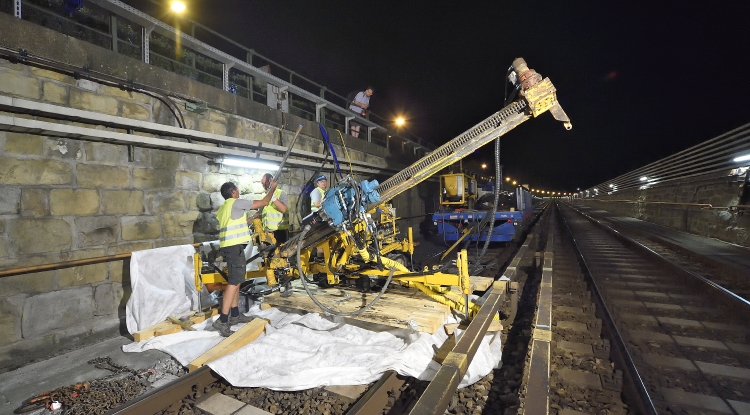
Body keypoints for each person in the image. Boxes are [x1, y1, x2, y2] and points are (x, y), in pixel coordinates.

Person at [213, 180, 276, 337]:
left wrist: (251, 218)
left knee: (237, 280)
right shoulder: (237, 202)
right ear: (234, 192)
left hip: (231, 247)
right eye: (237, 190)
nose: (239, 192)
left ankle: (235, 315)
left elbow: (235, 222)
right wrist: (272, 188)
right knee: (233, 283)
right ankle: (222, 320)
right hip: (234, 247)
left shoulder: (223, 208)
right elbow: (264, 202)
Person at [260, 173, 289, 244]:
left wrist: (273, 197)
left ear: (271, 181)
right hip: (267, 232)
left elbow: (283, 209)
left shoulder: (281, 193)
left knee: (280, 253)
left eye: (265, 183)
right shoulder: (263, 196)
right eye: (262, 184)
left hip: (279, 232)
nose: (264, 186)